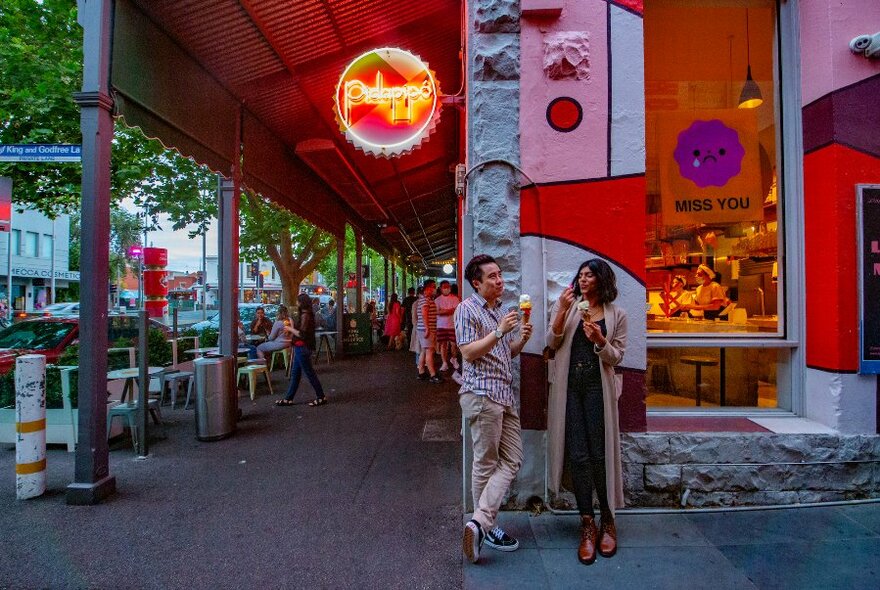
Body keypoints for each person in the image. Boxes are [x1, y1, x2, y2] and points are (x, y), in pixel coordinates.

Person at [546, 258, 627, 565]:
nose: (583, 280)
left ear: (601, 280)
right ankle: (587, 524)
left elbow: (617, 356)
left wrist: (600, 340)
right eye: (580, 275)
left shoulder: (616, 314)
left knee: (599, 455)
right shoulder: (565, 307)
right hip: (570, 388)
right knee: (578, 455)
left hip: (597, 388)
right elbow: (550, 343)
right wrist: (562, 313)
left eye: (589, 276)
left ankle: (608, 519)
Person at [456, 254, 532, 564]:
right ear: (477, 283)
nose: (499, 281)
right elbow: (469, 352)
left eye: (500, 275)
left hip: (504, 396)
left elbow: (502, 355)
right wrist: (500, 332)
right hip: (482, 395)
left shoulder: (499, 310)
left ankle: (478, 524)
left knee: (512, 460)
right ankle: (487, 525)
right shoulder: (467, 309)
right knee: (485, 463)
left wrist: (520, 341)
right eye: (492, 277)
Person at [275, 293, 326, 407]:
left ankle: (321, 396)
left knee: (308, 373)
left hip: (301, 346)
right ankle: (289, 398)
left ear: (302, 303)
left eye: (298, 301)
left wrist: (289, 328)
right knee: (296, 373)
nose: (297, 303)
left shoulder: (305, 315)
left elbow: (301, 334)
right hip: (301, 347)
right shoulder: (307, 314)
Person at [416, 280, 441, 383]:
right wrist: (427, 328)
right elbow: (424, 314)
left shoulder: (426, 299)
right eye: (433, 287)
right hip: (427, 329)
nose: (435, 289)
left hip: (423, 329)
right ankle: (433, 374)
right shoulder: (425, 300)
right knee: (430, 351)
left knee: (424, 351)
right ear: (428, 288)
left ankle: (421, 372)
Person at [435, 280, 461, 373]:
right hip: (441, 325)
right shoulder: (437, 300)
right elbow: (436, 312)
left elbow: (456, 310)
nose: (447, 289)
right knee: (443, 345)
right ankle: (444, 363)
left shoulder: (455, 298)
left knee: (454, 344)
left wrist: (443, 311)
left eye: (448, 287)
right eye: (444, 287)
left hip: (452, 325)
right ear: (441, 288)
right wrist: (449, 310)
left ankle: (454, 359)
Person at [409, 286, 424, 377]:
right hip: (419, 327)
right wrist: (417, 325)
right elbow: (414, 318)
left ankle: (421, 362)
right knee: (419, 346)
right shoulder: (416, 303)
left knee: (422, 346)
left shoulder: (422, 302)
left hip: (421, 327)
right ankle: (419, 362)